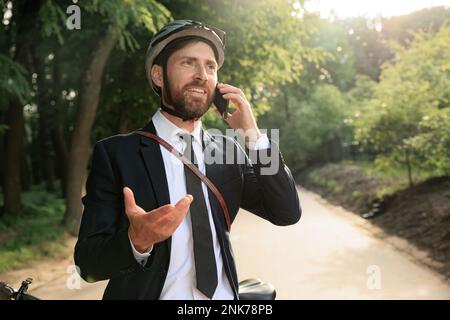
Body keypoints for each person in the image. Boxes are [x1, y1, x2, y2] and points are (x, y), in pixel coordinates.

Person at [74, 20, 301, 300]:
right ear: (158, 76)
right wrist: (137, 241)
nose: (202, 75)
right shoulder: (117, 154)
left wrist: (255, 138)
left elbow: (287, 212)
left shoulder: (228, 151)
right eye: (188, 63)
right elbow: (88, 262)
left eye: (210, 67)